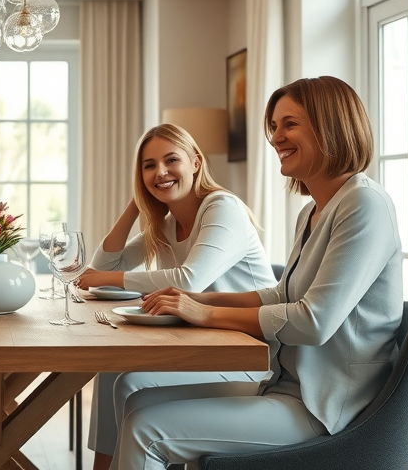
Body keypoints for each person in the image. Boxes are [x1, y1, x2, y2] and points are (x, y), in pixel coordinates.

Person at [110, 76, 403, 469]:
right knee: (137, 399)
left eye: (289, 124)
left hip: (326, 406)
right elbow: (282, 295)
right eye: (275, 126)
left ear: (331, 125)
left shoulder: (364, 205)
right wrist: (193, 300)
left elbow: (314, 322)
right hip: (284, 385)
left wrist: (206, 313)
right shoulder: (314, 212)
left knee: (147, 428)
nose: (276, 137)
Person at [76, 123, 276, 470]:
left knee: (131, 381)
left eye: (171, 160)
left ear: (196, 162)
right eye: (148, 165)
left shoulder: (222, 207)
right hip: (205, 346)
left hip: (253, 358)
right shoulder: (166, 223)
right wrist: (136, 204)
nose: (160, 172)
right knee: (112, 372)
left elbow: (190, 280)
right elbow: (102, 266)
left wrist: (106, 278)